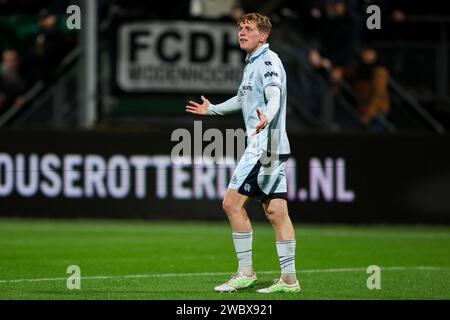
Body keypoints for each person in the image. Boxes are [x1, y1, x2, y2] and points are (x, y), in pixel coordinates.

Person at [185, 13, 300, 293]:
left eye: (249, 29)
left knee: (231, 204)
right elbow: (241, 98)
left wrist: (267, 116)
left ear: (264, 36)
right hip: (270, 144)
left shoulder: (268, 61)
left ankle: (245, 273)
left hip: (265, 145)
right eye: (240, 28)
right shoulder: (252, 63)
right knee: (276, 211)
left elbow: (274, 94)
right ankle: (289, 280)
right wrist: (212, 109)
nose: (242, 32)